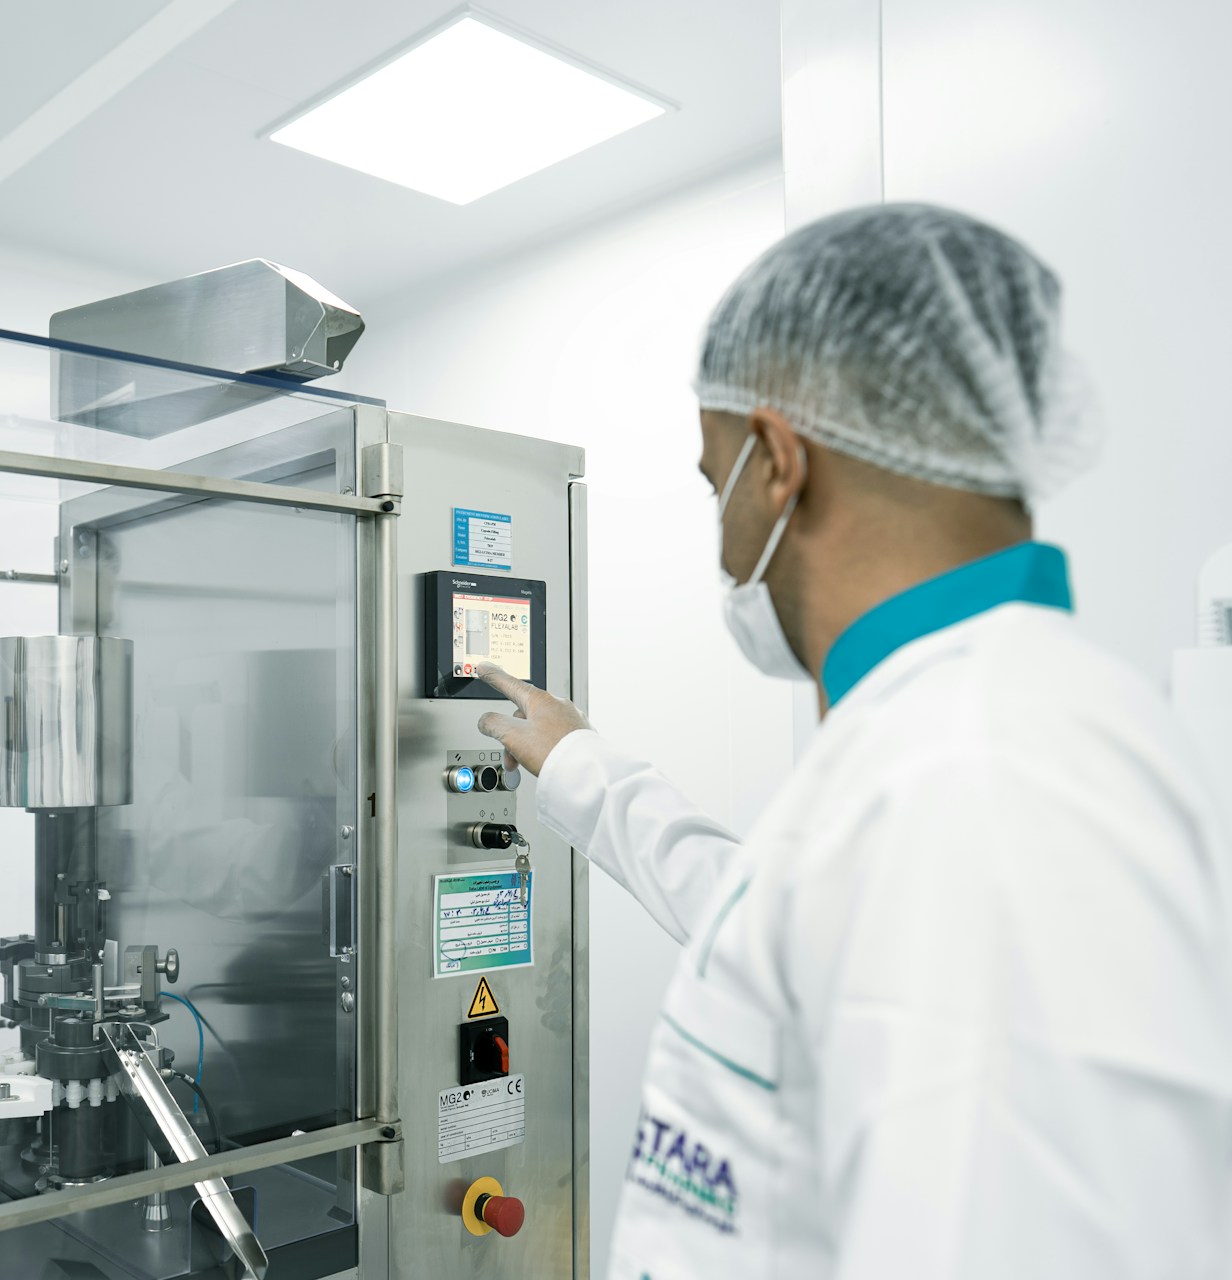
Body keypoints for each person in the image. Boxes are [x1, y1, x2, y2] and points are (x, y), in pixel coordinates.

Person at [476, 204, 1232, 1278]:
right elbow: (791, 937)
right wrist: (586, 771)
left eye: (718, 484)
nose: (725, 544)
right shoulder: (950, 739)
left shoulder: (989, 770)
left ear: (780, 463)